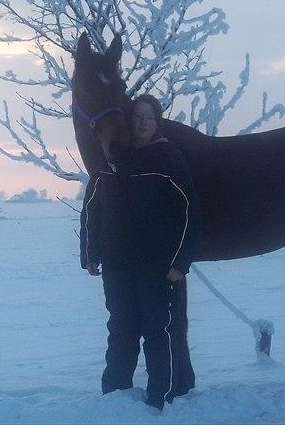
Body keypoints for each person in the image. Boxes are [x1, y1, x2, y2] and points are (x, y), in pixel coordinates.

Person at [79, 94, 200, 411]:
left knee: (157, 330)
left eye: (150, 118)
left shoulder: (168, 158)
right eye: (138, 117)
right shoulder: (111, 162)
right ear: (128, 122)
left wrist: (180, 262)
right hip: (118, 264)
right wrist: (90, 253)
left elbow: (189, 211)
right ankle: (115, 396)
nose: (143, 123)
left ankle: (164, 397)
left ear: (157, 122)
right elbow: (92, 209)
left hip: (158, 266)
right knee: (121, 328)